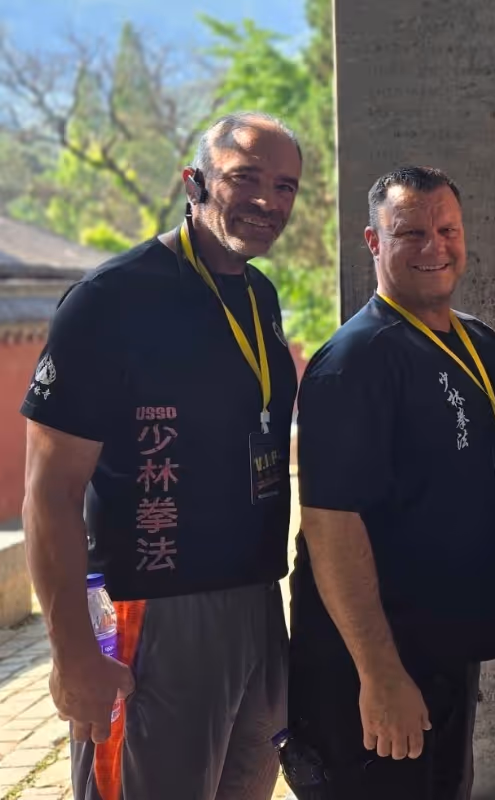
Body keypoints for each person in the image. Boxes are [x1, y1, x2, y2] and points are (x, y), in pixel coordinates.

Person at [21, 111, 302, 800]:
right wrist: (73, 653)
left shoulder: (259, 295)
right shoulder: (111, 299)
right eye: (245, 178)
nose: (267, 200)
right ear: (194, 181)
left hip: (257, 605)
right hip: (151, 611)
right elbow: (49, 492)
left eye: (286, 186)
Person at [283, 167, 495, 799]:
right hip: (376, 665)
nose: (433, 247)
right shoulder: (353, 362)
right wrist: (379, 673)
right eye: (409, 232)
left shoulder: (481, 342)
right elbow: (331, 526)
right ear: (373, 241)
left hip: (447, 651)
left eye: (446, 229)